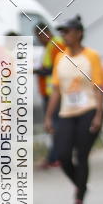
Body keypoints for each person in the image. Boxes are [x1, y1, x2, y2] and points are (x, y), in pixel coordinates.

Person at [45, 15, 103, 204]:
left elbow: (98, 87)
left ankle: (79, 200)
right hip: (67, 112)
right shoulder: (60, 57)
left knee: (82, 155)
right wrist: (48, 116)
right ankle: (82, 184)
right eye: (61, 32)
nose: (64, 36)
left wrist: (98, 114)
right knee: (62, 154)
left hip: (88, 109)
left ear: (79, 33)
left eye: (67, 32)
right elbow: (56, 90)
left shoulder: (91, 55)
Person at [34, 22, 65, 168]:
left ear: (44, 33)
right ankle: (54, 156)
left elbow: (55, 69)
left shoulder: (56, 45)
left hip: (55, 93)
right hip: (49, 92)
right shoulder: (50, 46)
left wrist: (36, 71)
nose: (38, 40)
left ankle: (55, 157)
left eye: (39, 36)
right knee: (53, 125)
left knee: (55, 125)